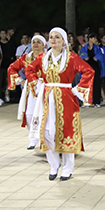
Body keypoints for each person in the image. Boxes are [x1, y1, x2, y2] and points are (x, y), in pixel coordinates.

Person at [25, 27, 94, 181]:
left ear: (63, 41)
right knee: (47, 132)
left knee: (67, 131)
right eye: (51, 37)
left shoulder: (71, 58)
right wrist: (35, 83)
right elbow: (29, 69)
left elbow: (88, 71)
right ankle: (54, 164)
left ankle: (68, 167)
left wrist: (77, 90)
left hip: (66, 98)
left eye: (57, 37)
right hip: (47, 97)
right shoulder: (43, 57)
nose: (53, 40)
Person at [8, 35, 46, 149]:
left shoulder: (48, 57)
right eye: (34, 42)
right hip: (30, 89)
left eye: (39, 42)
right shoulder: (26, 58)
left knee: (45, 113)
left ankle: (46, 138)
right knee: (29, 114)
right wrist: (20, 81)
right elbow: (11, 68)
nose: (35, 44)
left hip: (44, 88)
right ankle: (33, 138)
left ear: (44, 45)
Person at [79, 33, 105, 106]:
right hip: (87, 68)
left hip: (95, 67)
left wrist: (97, 58)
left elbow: (100, 55)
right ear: (90, 39)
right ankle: (86, 101)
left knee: (96, 84)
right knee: (86, 84)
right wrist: (85, 57)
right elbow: (81, 55)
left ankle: (96, 101)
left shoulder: (97, 48)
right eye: (94, 38)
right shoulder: (84, 48)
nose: (95, 40)